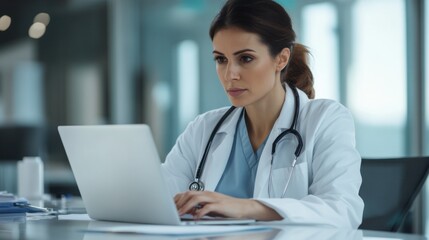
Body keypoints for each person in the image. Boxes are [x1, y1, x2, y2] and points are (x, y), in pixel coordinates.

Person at [162, 0, 364, 228]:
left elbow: (342, 210)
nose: (230, 74)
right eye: (221, 59)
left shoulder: (325, 119)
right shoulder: (204, 128)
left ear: (281, 59)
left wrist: (245, 207)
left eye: (245, 58)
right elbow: (158, 201)